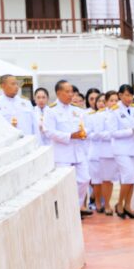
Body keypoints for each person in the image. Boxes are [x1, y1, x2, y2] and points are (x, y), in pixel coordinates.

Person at [43, 80, 91, 217]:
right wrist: (70, 136)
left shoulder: (77, 110)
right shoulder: (51, 110)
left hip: (78, 152)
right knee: (64, 184)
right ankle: (66, 211)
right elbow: (49, 132)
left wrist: (83, 133)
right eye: (67, 91)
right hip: (62, 154)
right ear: (58, 93)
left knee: (84, 179)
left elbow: (86, 126)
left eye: (72, 92)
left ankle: (75, 207)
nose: (71, 94)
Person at [111, 84, 134, 220]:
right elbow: (113, 132)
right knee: (128, 176)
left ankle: (127, 205)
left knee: (132, 178)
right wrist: (131, 131)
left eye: (131, 95)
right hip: (121, 149)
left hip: (133, 148)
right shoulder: (114, 111)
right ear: (120, 95)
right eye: (127, 95)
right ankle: (119, 203)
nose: (129, 98)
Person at [86, 90, 115, 215]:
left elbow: (111, 133)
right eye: (99, 101)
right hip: (94, 151)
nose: (101, 103)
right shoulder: (91, 116)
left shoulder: (111, 115)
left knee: (107, 179)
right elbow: (89, 134)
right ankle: (97, 202)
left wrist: (103, 135)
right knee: (96, 180)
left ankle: (106, 203)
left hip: (107, 151)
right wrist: (101, 135)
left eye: (104, 101)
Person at [0, 74, 37, 142]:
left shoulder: (26, 103)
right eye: (13, 84)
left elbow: (35, 125)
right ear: (3, 86)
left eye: (17, 84)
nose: (16, 87)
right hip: (8, 144)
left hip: (27, 142)